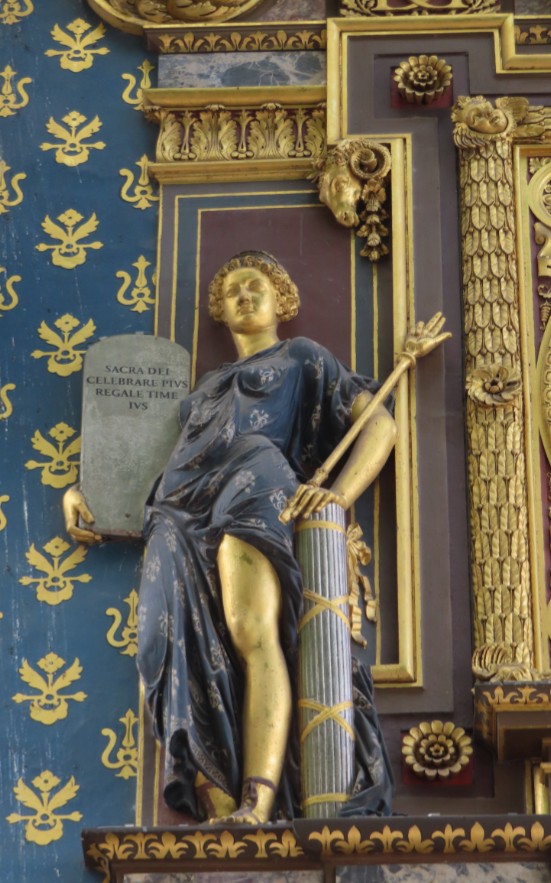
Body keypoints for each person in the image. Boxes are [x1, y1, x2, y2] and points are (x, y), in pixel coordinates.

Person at [64, 251, 398, 824]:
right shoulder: (204, 388)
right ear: (219, 311)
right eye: (232, 291)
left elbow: (380, 425)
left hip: (252, 481)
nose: (244, 295)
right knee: (164, 642)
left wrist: (338, 496)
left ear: (281, 299)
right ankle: (217, 805)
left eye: (255, 285)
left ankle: (257, 801)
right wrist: (84, 493)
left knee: (250, 629)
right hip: (176, 510)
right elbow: (144, 471)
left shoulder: (301, 356)